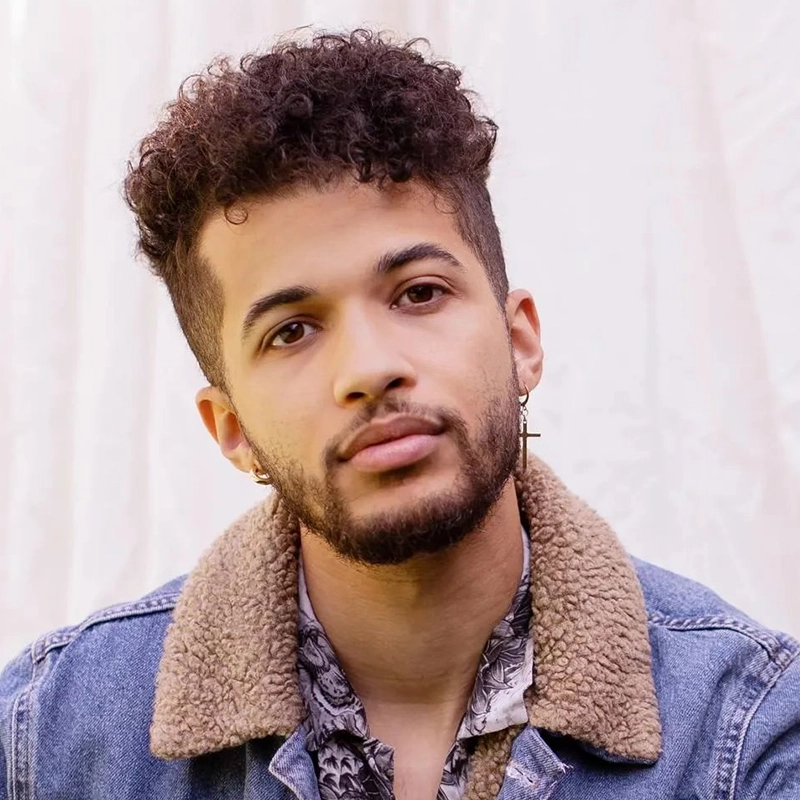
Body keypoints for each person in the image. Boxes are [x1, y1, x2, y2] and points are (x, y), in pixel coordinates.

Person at [1, 29, 798, 800]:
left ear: (520, 340)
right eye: (292, 331)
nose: (371, 368)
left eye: (419, 293)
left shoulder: (750, 727)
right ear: (230, 429)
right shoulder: (48, 737)